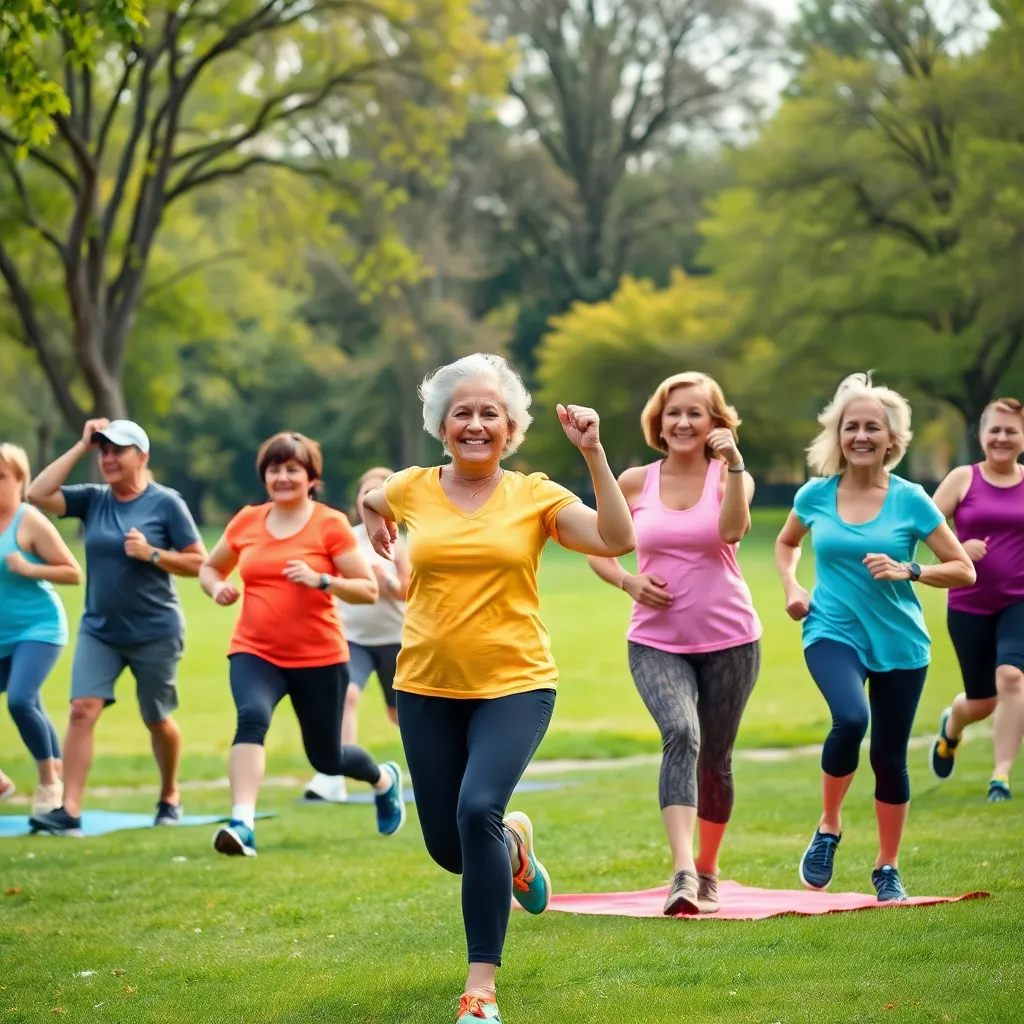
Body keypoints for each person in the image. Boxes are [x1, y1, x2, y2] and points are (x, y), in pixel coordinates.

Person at [362, 352, 635, 1024]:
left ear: (510, 427)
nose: (476, 424)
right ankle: (513, 847)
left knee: (476, 806)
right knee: (452, 849)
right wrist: (373, 516)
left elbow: (615, 538)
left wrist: (595, 454)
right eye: (464, 413)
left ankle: (480, 990)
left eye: (490, 414)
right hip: (424, 685)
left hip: (515, 683)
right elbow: (375, 496)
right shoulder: (411, 486)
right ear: (441, 424)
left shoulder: (536, 494)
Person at [775, 373, 975, 902]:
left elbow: (962, 570)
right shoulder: (814, 495)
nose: (860, 436)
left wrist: (910, 570)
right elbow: (787, 543)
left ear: (892, 439)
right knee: (851, 718)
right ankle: (829, 827)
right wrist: (794, 584)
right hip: (831, 628)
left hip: (900, 644)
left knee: (888, 756)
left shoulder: (911, 500)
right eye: (850, 426)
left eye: (872, 427)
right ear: (838, 436)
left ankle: (887, 868)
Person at [586, 372, 761, 916]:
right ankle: (682, 871)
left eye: (695, 413)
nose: (682, 422)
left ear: (715, 423)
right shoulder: (636, 480)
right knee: (681, 733)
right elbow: (599, 545)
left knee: (716, 759)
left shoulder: (733, 477)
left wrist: (733, 465)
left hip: (731, 639)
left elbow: (732, 532)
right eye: (673, 413)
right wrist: (628, 581)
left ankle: (708, 871)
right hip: (656, 641)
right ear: (658, 422)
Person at [198, 432, 406, 857]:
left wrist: (322, 580)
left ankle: (383, 779)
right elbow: (209, 567)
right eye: (275, 469)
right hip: (255, 649)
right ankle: (242, 823)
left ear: (312, 478)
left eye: (293, 469)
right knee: (251, 718)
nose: (283, 476)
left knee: (327, 758)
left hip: (319, 657)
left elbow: (366, 590)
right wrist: (216, 586)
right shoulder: (246, 521)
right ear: (265, 476)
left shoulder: (328, 524)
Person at [26, 419, 206, 837]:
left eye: (117, 451)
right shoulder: (93, 499)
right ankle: (68, 810)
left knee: (156, 718)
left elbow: (201, 562)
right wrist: (80, 445)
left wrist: (153, 554)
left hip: (155, 630)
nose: (108, 458)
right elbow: (36, 494)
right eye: (103, 451)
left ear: (141, 457)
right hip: (100, 629)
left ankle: (169, 795)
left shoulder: (167, 504)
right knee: (81, 709)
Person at [929, 397, 1024, 802]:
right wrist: (957, 548)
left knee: (1012, 678)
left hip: (1019, 601)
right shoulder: (962, 479)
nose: (1002, 438)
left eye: (1011, 430)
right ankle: (953, 724)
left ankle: (999, 778)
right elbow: (922, 525)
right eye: (995, 430)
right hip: (968, 604)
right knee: (982, 701)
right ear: (982, 434)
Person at [305, 466, 409, 804]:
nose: (371, 497)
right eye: (366, 491)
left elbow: (410, 591)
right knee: (346, 697)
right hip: (353, 638)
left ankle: (436, 770)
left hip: (395, 639)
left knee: (401, 716)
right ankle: (335, 777)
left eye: (379, 491)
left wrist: (387, 582)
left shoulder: (401, 544)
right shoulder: (345, 537)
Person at [0, 444, 82, 816]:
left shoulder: (28, 520)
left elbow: (72, 572)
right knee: (28, 703)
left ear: (20, 481)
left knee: (20, 699)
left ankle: (50, 781)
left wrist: (30, 568)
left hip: (39, 627)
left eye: (2, 477)